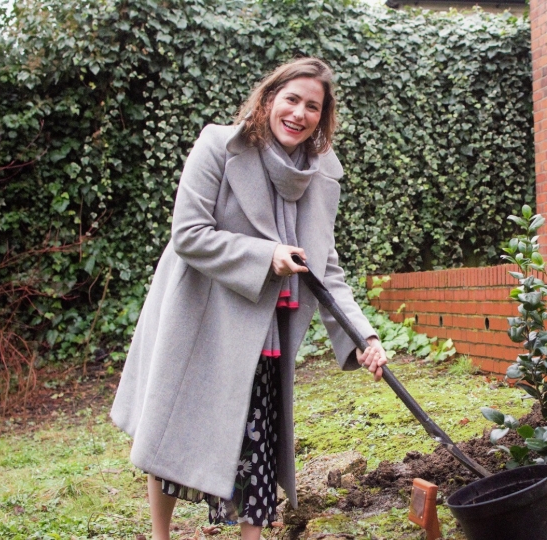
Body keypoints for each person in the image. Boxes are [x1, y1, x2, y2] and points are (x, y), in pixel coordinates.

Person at [110, 57, 388, 540]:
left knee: (258, 439)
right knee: (176, 428)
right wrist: (267, 256)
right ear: (268, 99)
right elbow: (189, 234)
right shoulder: (220, 146)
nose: (300, 113)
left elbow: (327, 271)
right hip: (201, 319)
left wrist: (363, 335)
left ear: (323, 118)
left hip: (265, 332)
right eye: (292, 99)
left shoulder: (321, 177)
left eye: (313, 107)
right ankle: (160, 536)